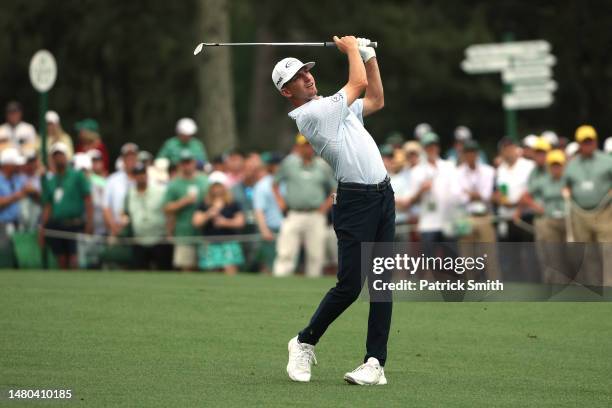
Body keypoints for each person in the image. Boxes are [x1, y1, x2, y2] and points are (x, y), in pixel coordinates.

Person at [274, 35, 393, 385]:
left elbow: (375, 98)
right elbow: (356, 83)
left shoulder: (332, 105)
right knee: (350, 285)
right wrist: (353, 49)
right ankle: (304, 341)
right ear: (287, 92)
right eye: (297, 77)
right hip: (356, 202)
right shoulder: (312, 114)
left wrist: (369, 56)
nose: (307, 77)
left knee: (382, 284)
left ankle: (375, 363)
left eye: (306, 71)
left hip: (383, 195)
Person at [272, 135, 335, 278]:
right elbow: (275, 184)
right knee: (286, 251)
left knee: (316, 255)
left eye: (310, 145)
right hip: (294, 213)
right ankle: (280, 283)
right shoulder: (289, 163)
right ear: (298, 147)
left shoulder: (322, 166)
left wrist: (326, 207)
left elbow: (335, 189)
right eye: (304, 145)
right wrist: (280, 202)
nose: (308, 148)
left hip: (316, 215)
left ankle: (312, 286)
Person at [563, 125, 612, 286]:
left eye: (590, 141)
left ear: (596, 142)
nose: (587, 145)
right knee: (587, 252)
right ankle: (593, 286)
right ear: (579, 144)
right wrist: (566, 191)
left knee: (607, 250)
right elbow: (566, 184)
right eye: (584, 142)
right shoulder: (572, 164)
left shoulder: (607, 160)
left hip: (604, 211)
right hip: (580, 213)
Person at [517, 150, 570, 283]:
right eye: (553, 165)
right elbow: (524, 197)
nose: (556, 168)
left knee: (571, 256)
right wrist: (536, 207)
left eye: (558, 165)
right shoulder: (542, 181)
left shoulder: (569, 179)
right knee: (553, 257)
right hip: (549, 221)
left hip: (568, 221)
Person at [40, 143, 93, 269]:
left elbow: (88, 199)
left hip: (74, 223)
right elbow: (48, 206)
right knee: (61, 258)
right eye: (55, 156)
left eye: (61, 155)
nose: (58, 159)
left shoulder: (77, 176)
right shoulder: (50, 180)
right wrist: (42, 227)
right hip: (56, 223)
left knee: (74, 258)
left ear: (66, 156)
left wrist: (90, 222)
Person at [493, 137, 536, 281]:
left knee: (530, 256)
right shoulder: (500, 169)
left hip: (525, 216)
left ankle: (534, 287)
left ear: (516, 149)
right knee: (511, 257)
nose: (508, 151)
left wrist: (518, 206)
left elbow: (531, 190)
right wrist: (499, 198)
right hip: (506, 217)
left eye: (510, 148)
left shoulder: (528, 165)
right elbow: (497, 192)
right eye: (505, 149)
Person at [406, 132, 461, 245]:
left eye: (434, 145)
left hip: (448, 221)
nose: (431, 149)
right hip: (428, 223)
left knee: (451, 260)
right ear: (423, 149)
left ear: (438, 147)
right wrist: (421, 190)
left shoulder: (449, 166)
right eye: (428, 146)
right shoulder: (416, 171)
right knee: (429, 261)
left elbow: (457, 192)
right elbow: (411, 200)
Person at [163, 150, 209, 271]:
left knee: (206, 268)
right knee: (186, 268)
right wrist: (183, 202)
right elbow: (166, 208)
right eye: (183, 162)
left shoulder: (204, 181)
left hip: (203, 232)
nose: (186, 165)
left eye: (188, 162)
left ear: (194, 163)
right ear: (180, 164)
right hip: (183, 232)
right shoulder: (174, 184)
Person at [123, 162, 172, 270]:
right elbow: (124, 213)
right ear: (133, 177)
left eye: (143, 173)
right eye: (137, 174)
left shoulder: (160, 191)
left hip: (159, 240)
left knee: (165, 273)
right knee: (139, 275)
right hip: (139, 241)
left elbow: (169, 211)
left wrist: (169, 233)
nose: (141, 176)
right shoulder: (129, 194)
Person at [193, 181, 246, 274]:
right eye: (215, 187)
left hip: (228, 242)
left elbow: (240, 222)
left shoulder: (232, 203)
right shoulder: (204, 204)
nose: (217, 190)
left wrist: (225, 222)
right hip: (210, 243)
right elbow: (196, 222)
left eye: (219, 187)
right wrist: (209, 213)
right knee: (212, 271)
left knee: (230, 269)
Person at [253, 153, 283, 273]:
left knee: (286, 264)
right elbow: (258, 210)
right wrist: (264, 230)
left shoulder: (286, 182)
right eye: (277, 165)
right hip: (271, 230)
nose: (280, 167)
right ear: (271, 167)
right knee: (269, 265)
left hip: (286, 229)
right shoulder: (263, 185)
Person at [0, 148, 29, 266]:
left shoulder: (19, 179)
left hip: (18, 224)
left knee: (17, 258)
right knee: (4, 256)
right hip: (2, 225)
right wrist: (15, 197)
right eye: (15, 164)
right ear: (7, 165)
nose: (19, 166)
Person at [103, 143, 139, 236]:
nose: (131, 160)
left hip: (139, 232)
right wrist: (113, 227)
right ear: (123, 159)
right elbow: (106, 206)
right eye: (128, 157)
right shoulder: (112, 180)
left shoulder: (144, 179)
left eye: (133, 157)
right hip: (117, 229)